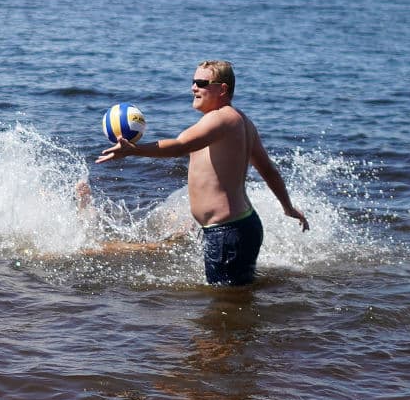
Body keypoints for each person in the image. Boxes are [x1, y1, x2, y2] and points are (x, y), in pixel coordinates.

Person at [96, 61, 308, 285]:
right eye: (193, 82)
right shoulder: (243, 122)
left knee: (225, 308)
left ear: (223, 89)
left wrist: (134, 150)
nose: (193, 88)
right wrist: (287, 207)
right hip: (239, 227)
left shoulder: (221, 119)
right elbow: (268, 170)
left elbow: (180, 145)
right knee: (236, 302)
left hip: (227, 232)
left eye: (201, 83)